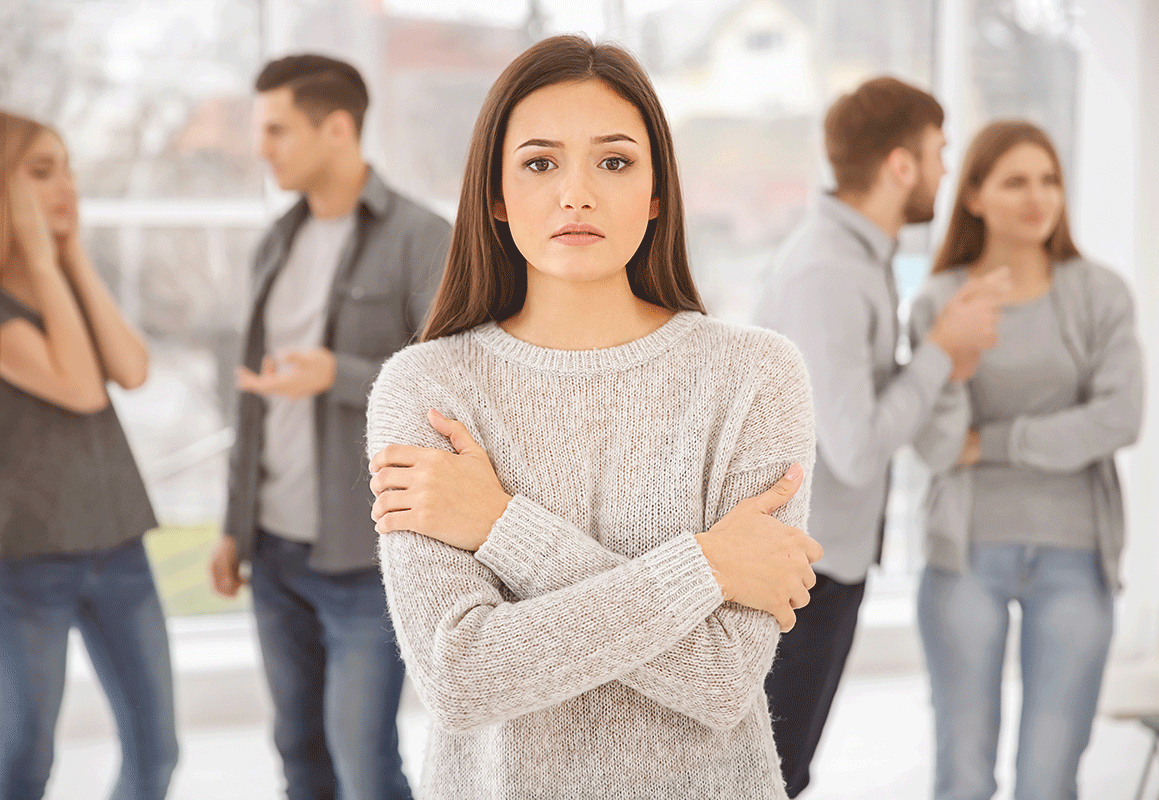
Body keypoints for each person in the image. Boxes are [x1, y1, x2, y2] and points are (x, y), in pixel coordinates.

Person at [364, 35, 824, 800]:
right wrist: (705, 565)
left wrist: (502, 526)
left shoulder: (756, 376)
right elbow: (462, 677)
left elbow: (720, 680)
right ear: (496, 196)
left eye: (613, 161)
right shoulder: (427, 387)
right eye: (540, 163)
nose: (576, 193)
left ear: (655, 193)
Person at [754, 77, 1009, 796]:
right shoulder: (829, 270)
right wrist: (938, 351)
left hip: (827, 561)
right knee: (773, 775)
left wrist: (934, 353)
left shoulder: (858, 255)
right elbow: (856, 448)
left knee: (785, 768)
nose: (944, 172)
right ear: (902, 165)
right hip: (805, 570)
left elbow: (851, 402)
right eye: (939, 153)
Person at [207, 55, 449, 800]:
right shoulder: (275, 242)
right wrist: (232, 527)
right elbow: (252, 401)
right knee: (297, 751)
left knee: (363, 762)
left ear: (337, 128)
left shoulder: (422, 237)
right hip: (274, 551)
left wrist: (337, 375)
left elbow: (450, 389)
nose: (262, 148)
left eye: (277, 129)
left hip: (362, 558)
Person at [910, 120, 1143, 800]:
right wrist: (956, 367)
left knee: (1049, 779)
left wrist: (1000, 442)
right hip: (965, 557)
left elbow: (1119, 418)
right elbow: (938, 445)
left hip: (1076, 558)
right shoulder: (939, 301)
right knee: (963, 774)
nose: (1038, 197)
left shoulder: (1100, 294)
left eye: (1049, 180)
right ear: (975, 196)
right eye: (1016, 181)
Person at [0, 111, 177, 800]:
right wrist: (44, 261)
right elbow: (79, 386)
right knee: (24, 760)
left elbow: (130, 369)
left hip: (118, 545)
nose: (66, 185)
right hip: (26, 562)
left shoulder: (61, 284)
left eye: (68, 168)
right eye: (42, 172)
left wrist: (69, 257)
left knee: (156, 750)